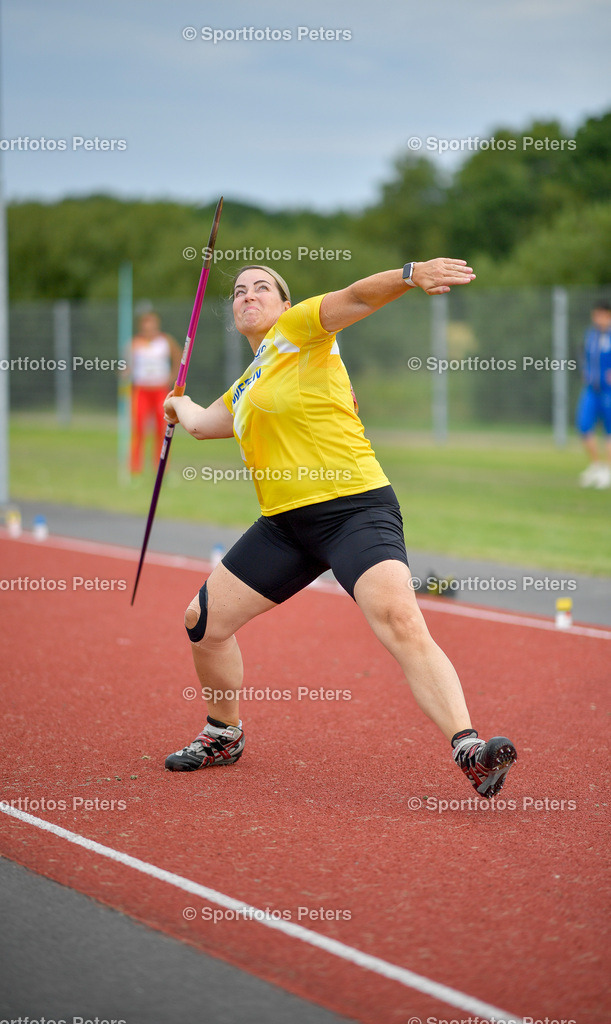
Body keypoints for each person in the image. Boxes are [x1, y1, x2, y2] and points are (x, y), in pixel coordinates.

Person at [162, 261, 517, 797]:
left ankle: (468, 749)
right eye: (238, 291)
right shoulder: (250, 379)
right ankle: (222, 734)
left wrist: (408, 273)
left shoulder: (300, 329)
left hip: (354, 509)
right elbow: (205, 424)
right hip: (285, 527)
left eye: (262, 287)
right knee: (202, 623)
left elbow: (355, 296)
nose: (247, 295)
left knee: (399, 617)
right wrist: (177, 405)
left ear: (284, 304)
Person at [129, 312, 182, 474]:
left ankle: (162, 467)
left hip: (160, 390)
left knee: (163, 428)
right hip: (141, 390)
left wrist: (173, 376)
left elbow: (179, 356)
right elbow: (128, 363)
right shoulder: (136, 343)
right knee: (138, 428)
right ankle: (135, 468)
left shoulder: (165, 340)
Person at [577, 301, 611, 489]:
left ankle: (608, 470)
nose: (598, 319)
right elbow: (585, 356)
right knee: (583, 425)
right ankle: (596, 465)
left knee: (609, 431)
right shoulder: (591, 334)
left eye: (601, 315)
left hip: (609, 390)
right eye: (595, 315)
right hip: (591, 389)